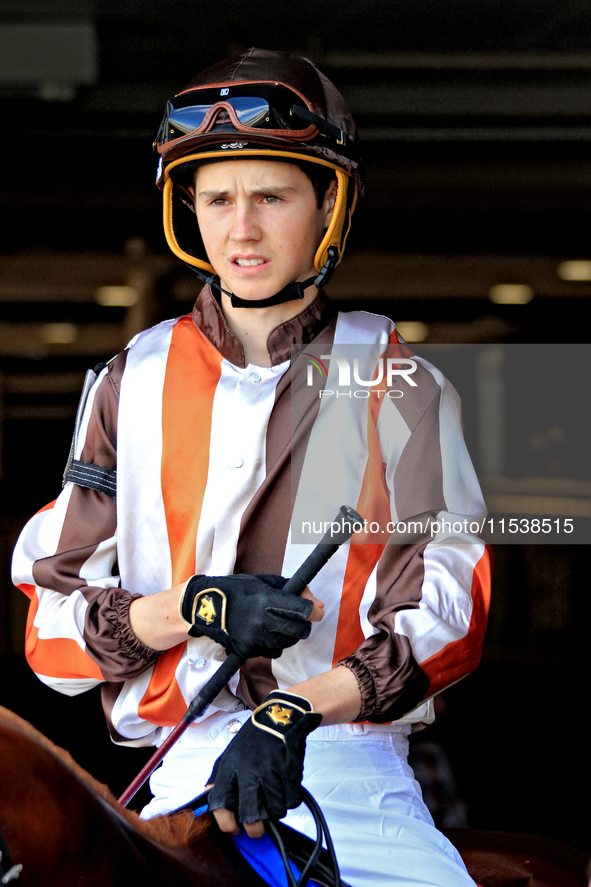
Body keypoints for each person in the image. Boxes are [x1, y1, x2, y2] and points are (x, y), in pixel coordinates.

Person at [12, 48, 492, 886]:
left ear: (327, 205)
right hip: (174, 773)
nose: (242, 228)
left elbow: (450, 613)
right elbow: (50, 628)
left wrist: (292, 711)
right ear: (187, 208)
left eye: (271, 196)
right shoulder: (132, 378)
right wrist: (187, 608)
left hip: (345, 771)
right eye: (218, 198)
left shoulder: (401, 379)